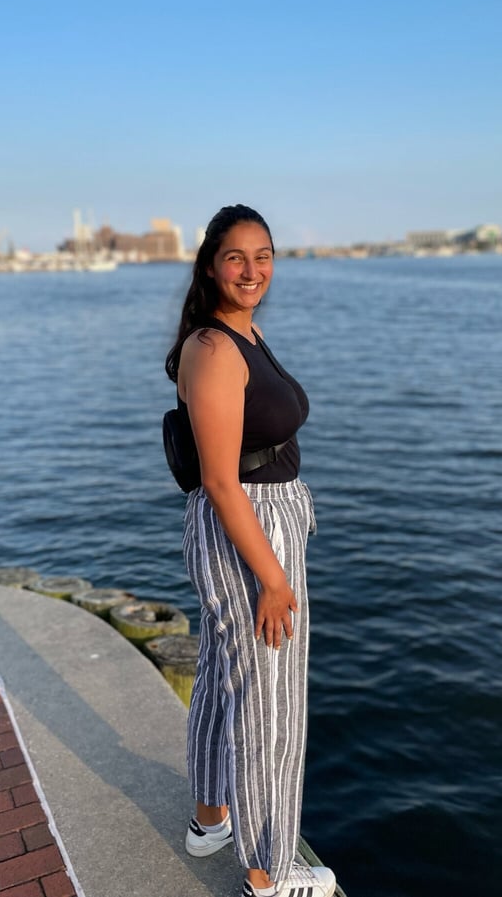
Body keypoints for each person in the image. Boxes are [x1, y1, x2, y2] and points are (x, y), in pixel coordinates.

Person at [165, 205, 337, 897]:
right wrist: (271, 576)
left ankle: (212, 821)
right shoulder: (212, 350)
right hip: (248, 528)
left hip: (266, 517)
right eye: (237, 257)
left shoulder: (246, 333)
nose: (252, 269)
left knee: (222, 678)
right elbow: (219, 480)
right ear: (211, 264)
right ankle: (270, 871)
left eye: (263, 255)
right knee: (271, 703)